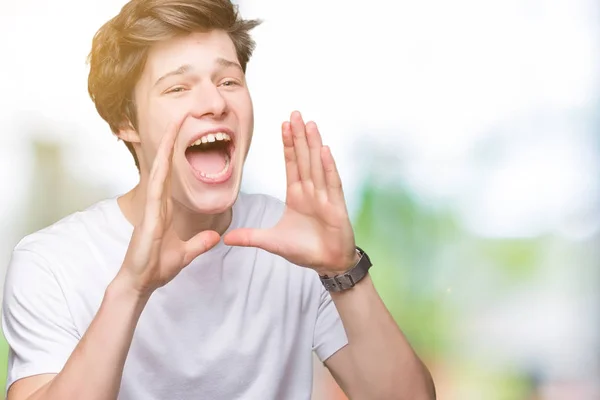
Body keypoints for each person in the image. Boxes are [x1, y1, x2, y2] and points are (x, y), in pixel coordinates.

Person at [1, 0, 436, 399]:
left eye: (229, 80)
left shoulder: (295, 245)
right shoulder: (51, 262)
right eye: (177, 88)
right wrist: (131, 288)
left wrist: (343, 270)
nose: (214, 103)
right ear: (125, 121)